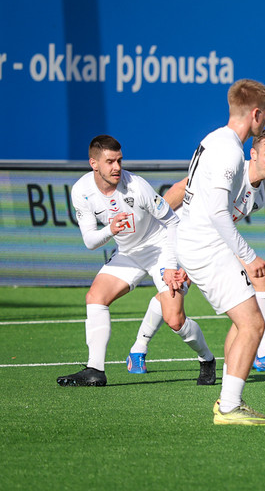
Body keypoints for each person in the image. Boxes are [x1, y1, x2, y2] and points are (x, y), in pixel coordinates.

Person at [127, 130, 265, 374]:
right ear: (253, 154)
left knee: (263, 274)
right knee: (174, 313)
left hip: (205, 244)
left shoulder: (257, 198)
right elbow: (182, 187)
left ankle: (263, 351)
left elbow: (224, 224)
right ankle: (139, 348)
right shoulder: (233, 168)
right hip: (178, 236)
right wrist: (155, 225)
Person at [57, 135, 216, 387]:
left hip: (160, 248)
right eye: (110, 162)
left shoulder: (137, 186)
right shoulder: (81, 191)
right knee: (95, 297)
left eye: (119, 160)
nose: (117, 167)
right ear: (93, 164)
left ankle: (207, 359)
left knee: (175, 319)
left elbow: (172, 222)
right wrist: (110, 230)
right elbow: (89, 241)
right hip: (128, 253)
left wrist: (171, 266)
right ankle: (95, 369)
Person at [177, 79, 265, 426]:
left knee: (245, 324)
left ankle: (230, 401)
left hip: (198, 242)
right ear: (256, 114)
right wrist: (248, 256)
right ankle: (229, 407)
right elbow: (219, 213)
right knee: (253, 324)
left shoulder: (214, 138)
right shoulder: (229, 151)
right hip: (206, 246)